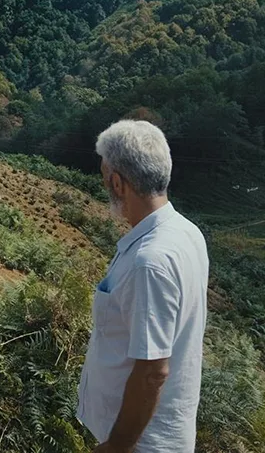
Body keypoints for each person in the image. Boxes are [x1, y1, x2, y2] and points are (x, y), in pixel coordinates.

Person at [78, 120, 209, 453]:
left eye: (105, 177)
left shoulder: (149, 262)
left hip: (141, 442)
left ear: (118, 183)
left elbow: (153, 371)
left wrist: (118, 445)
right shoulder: (187, 232)